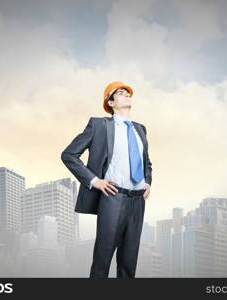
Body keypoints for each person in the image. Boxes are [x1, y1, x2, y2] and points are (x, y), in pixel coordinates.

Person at [61, 81, 153, 278]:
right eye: (121, 93)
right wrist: (95, 181)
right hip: (113, 197)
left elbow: (147, 162)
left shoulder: (141, 129)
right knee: (102, 261)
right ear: (110, 102)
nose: (127, 95)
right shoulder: (99, 125)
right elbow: (69, 155)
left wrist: (147, 182)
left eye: (128, 93)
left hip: (138, 201)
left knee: (129, 263)